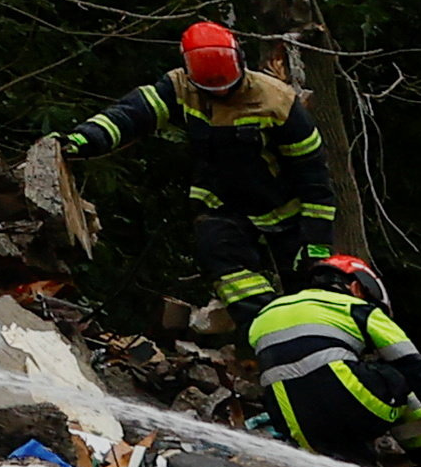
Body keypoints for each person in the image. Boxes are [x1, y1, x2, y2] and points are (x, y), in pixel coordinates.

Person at [48, 20, 337, 321]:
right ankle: (267, 330)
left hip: (284, 210)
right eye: (212, 90)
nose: (221, 95)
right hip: (222, 205)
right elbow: (130, 115)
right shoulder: (180, 88)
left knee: (310, 291)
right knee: (232, 276)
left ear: (240, 59)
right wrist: (85, 139)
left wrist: (317, 242)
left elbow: (314, 176)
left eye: (228, 87)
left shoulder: (278, 103)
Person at [249, 253, 421, 467]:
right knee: (402, 380)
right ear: (357, 287)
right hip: (354, 410)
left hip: (298, 427)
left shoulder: (266, 314)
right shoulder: (358, 308)